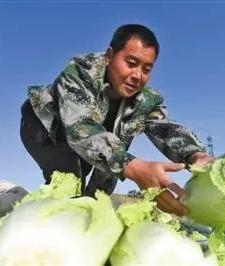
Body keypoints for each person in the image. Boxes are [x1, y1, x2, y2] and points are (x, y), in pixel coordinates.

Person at [20, 24, 213, 216]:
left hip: (98, 136)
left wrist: (195, 155)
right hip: (46, 128)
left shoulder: (145, 100)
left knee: (98, 197)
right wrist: (136, 168)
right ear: (109, 56)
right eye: (131, 63)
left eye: (146, 69)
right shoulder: (79, 73)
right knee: (71, 183)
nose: (137, 76)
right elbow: (79, 128)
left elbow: (166, 129)